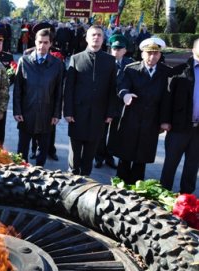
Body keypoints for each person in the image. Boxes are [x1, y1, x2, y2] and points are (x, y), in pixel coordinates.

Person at [114, 37, 171, 184]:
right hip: (131, 118)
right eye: (149, 53)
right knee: (125, 154)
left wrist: (164, 121)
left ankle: (137, 188)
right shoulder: (131, 69)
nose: (152, 56)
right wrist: (125, 94)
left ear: (160, 55)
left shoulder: (166, 72)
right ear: (142, 54)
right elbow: (121, 86)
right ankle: (120, 186)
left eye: (156, 53)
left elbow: (167, 98)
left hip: (151, 120)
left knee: (142, 156)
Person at [63, 25, 117, 176]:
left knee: (90, 153)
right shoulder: (76, 58)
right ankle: (72, 179)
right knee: (74, 154)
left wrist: (110, 112)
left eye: (99, 35)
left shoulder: (110, 61)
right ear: (86, 38)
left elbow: (113, 89)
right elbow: (69, 88)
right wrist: (67, 111)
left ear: (103, 38)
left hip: (99, 115)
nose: (96, 37)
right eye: (93, 35)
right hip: (77, 114)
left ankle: (86, 180)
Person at [13, 28, 64, 166]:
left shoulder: (57, 64)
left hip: (46, 114)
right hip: (26, 112)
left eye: (46, 42)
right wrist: (17, 111)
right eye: (40, 42)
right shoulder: (24, 61)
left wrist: (56, 114)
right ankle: (21, 174)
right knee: (22, 149)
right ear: (35, 42)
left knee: (43, 150)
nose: (42, 46)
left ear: (50, 43)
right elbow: (18, 88)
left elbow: (59, 91)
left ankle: (39, 175)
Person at [160, 39, 199, 194]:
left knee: (192, 166)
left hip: (198, 131)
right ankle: (163, 195)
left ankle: (186, 199)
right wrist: (165, 121)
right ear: (193, 49)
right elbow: (167, 99)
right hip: (178, 127)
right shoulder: (179, 71)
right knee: (170, 164)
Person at [95, 34, 134, 169]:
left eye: (119, 49)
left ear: (125, 50)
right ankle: (99, 156)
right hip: (105, 103)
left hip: (121, 105)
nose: (116, 51)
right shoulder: (105, 62)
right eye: (114, 49)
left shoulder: (131, 64)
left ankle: (109, 156)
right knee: (101, 132)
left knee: (115, 133)